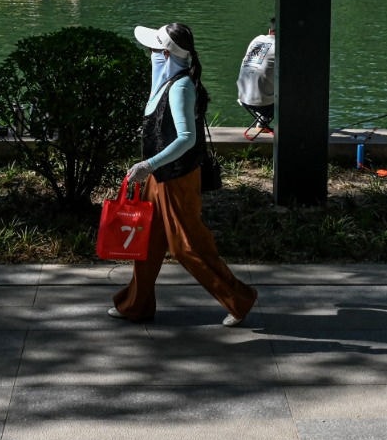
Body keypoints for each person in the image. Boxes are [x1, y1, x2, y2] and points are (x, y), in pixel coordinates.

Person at [110, 22, 257, 327]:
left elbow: (186, 138)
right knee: (147, 241)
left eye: (153, 49)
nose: (150, 53)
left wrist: (146, 166)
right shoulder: (169, 82)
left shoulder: (180, 86)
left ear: (165, 53)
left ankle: (238, 299)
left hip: (176, 178)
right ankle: (136, 305)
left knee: (186, 246)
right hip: (160, 175)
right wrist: (150, 169)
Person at [236, 18, 276, 136]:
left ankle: (262, 122)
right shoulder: (282, 46)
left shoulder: (257, 40)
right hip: (264, 104)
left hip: (243, 97)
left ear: (270, 30)